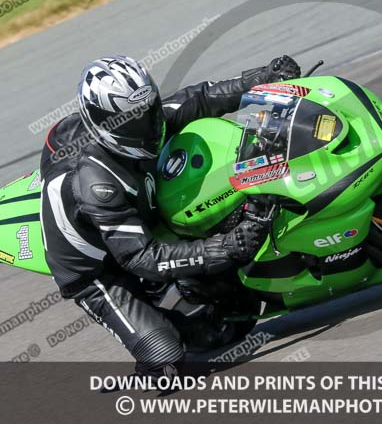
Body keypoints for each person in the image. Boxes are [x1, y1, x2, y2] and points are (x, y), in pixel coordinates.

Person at [39, 54, 300, 375]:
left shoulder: (139, 121)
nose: (150, 124)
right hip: (102, 270)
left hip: (137, 212)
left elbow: (198, 99)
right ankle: (166, 320)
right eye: (136, 119)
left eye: (149, 110)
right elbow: (142, 258)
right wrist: (229, 247)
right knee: (165, 362)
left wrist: (261, 78)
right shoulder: (96, 184)